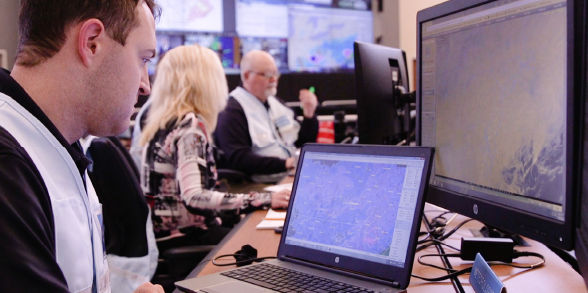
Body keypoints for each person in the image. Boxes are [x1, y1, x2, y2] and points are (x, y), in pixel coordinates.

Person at [0, 0, 163, 292]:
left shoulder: (56, 145)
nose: (145, 86)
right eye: (143, 59)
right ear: (91, 43)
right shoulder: (8, 165)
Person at [138, 45, 290, 250]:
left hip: (164, 236)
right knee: (269, 245)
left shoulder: (162, 121)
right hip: (188, 237)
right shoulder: (190, 126)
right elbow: (195, 197)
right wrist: (264, 199)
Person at [214, 50, 319, 183]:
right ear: (247, 76)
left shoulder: (277, 103)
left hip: (290, 175)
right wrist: (286, 164)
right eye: (267, 75)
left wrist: (309, 114)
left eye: (275, 73)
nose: (274, 79)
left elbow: (302, 143)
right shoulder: (231, 110)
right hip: (257, 185)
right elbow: (238, 159)